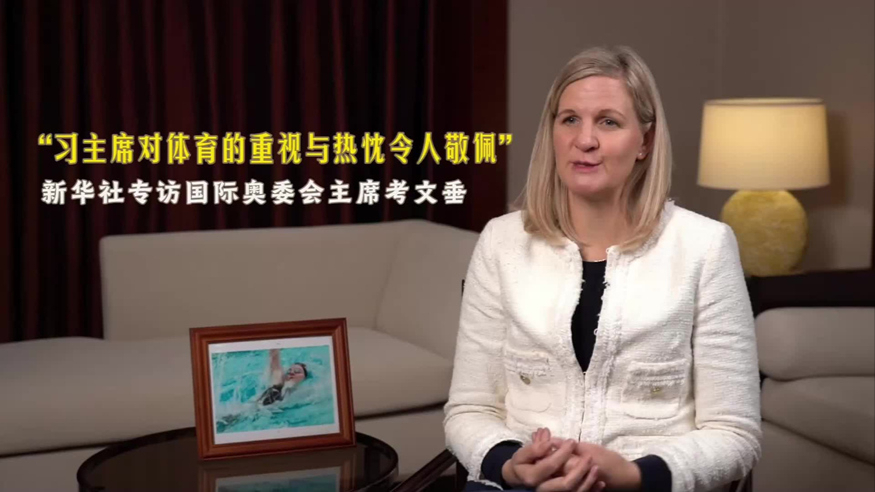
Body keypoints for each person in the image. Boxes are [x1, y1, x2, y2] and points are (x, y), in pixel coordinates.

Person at [443, 45, 761, 492]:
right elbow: (469, 410)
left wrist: (634, 475)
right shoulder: (501, 241)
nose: (585, 140)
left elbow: (735, 434)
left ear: (645, 141)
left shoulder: (705, 247)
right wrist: (510, 465)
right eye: (570, 119)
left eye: (608, 122)